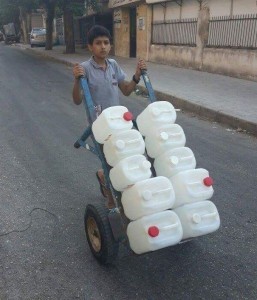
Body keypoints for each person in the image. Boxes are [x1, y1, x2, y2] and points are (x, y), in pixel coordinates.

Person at [72, 25, 147, 208]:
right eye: (98, 43)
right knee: (111, 163)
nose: (103, 47)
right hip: (100, 127)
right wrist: (76, 80)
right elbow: (76, 100)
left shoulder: (113, 65)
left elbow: (127, 90)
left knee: (124, 158)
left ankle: (103, 176)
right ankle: (112, 201)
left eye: (106, 43)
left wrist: (137, 75)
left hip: (119, 124)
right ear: (90, 47)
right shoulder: (84, 69)